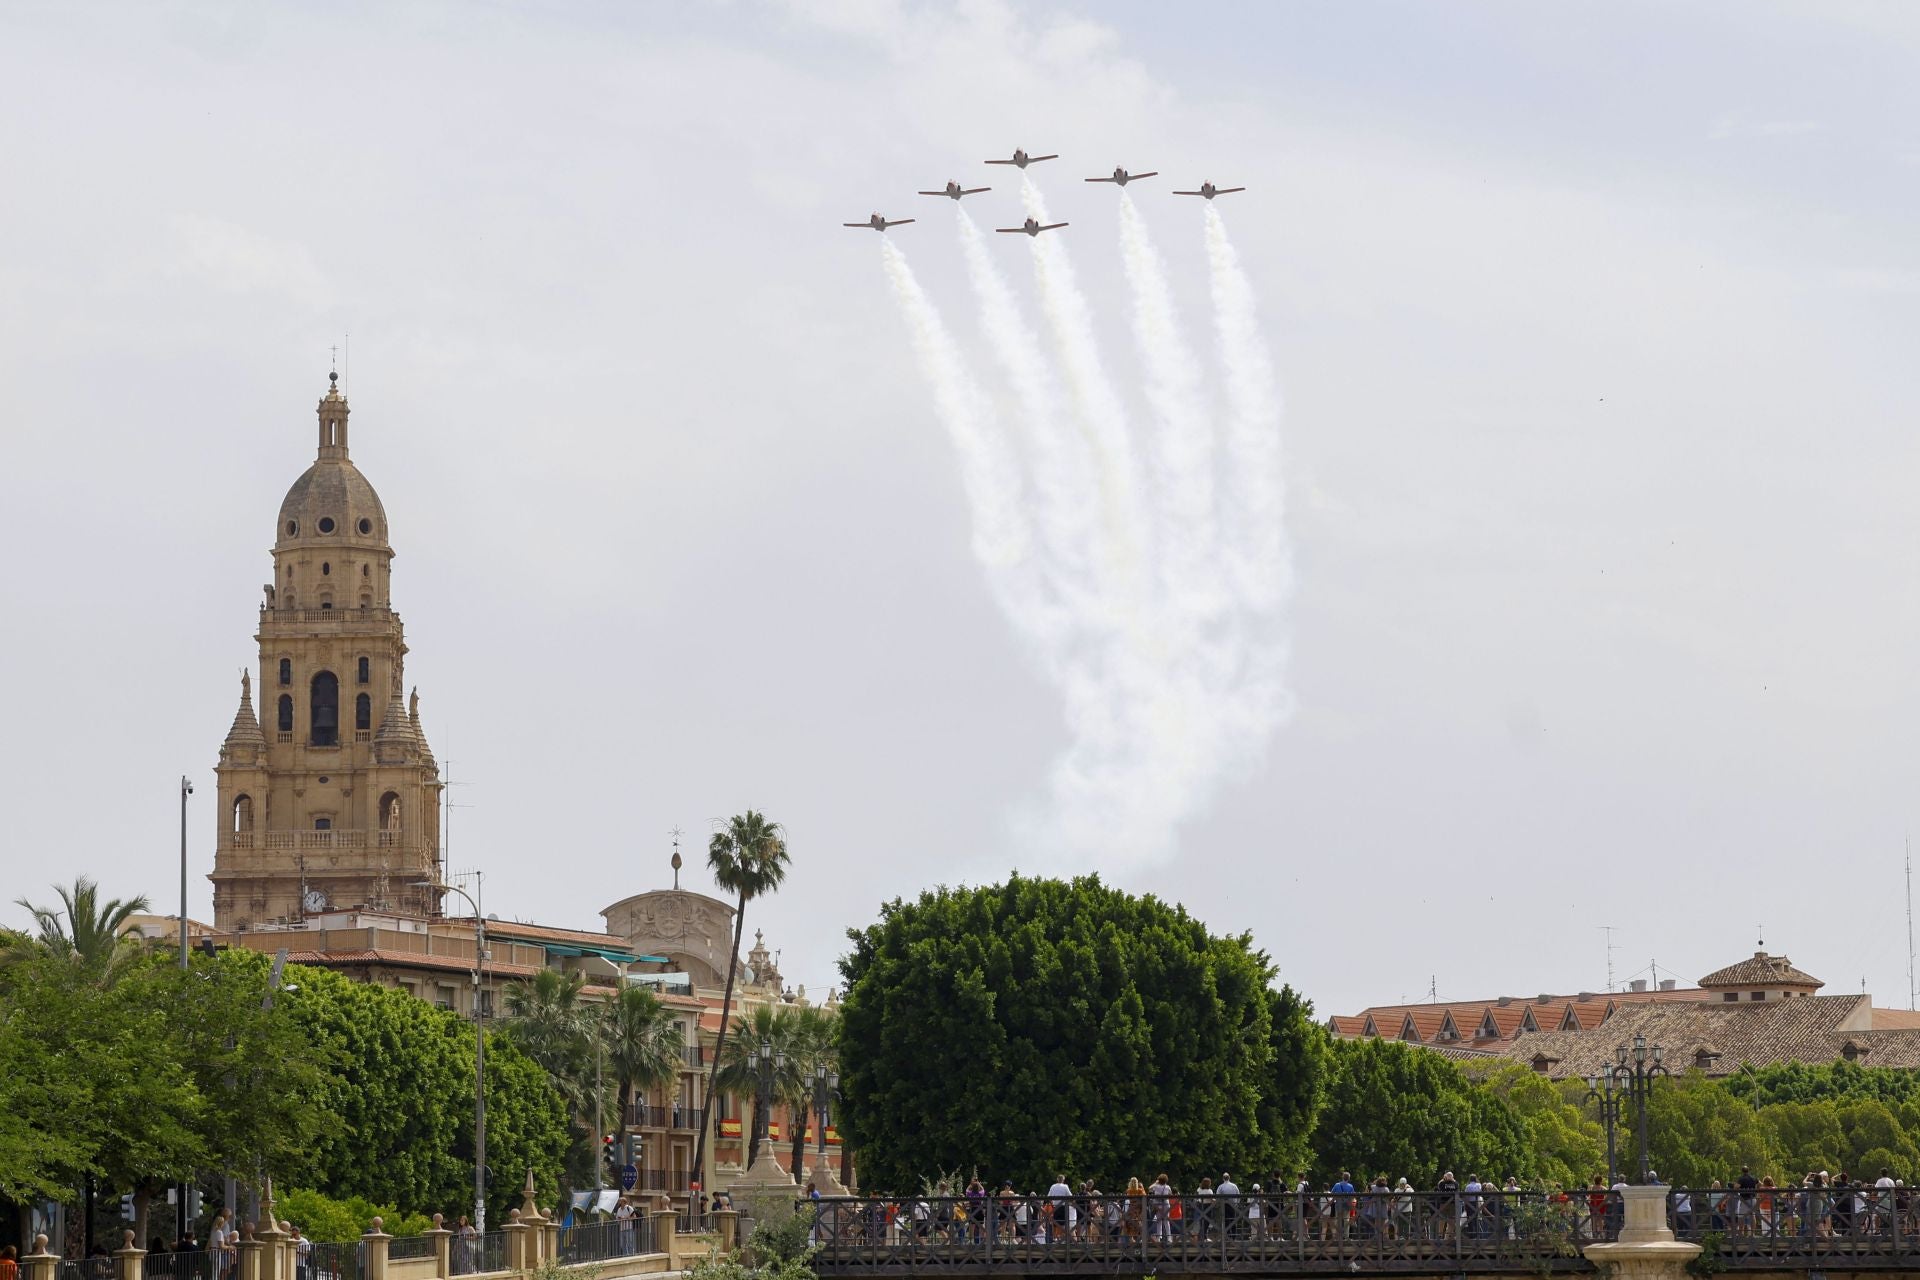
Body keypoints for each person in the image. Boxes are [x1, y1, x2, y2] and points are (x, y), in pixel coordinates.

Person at [1149, 1174, 1172, 1244]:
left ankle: (1159, 1238)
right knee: (1166, 1222)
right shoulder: (1167, 1187)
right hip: (1166, 1205)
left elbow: (1149, 1188)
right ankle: (1169, 1238)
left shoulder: (1156, 1186)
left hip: (1158, 1206)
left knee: (1159, 1221)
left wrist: (1155, 1183)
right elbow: (1170, 1194)